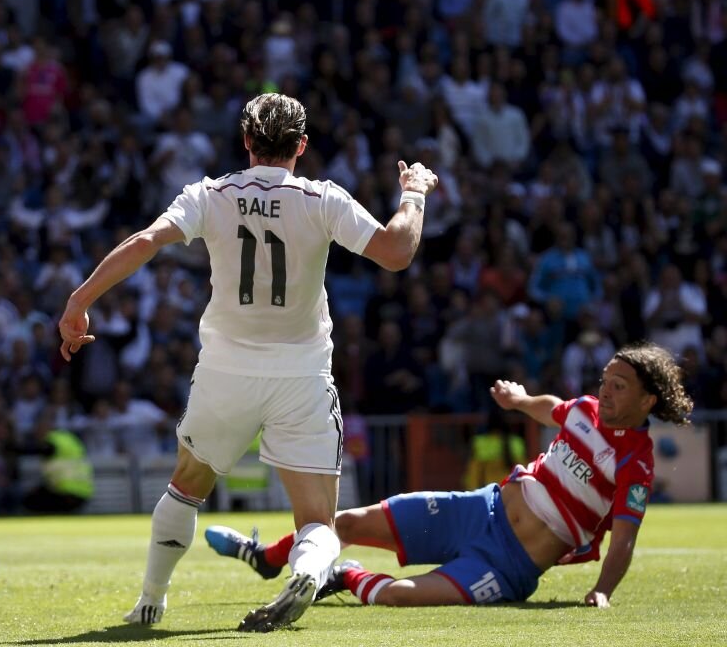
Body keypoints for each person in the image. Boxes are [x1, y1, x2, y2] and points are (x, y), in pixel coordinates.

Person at [58, 93, 438, 630]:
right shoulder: (321, 199)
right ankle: (306, 571)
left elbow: (147, 241)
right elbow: (397, 253)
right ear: (301, 146)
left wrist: (79, 301)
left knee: (185, 487)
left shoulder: (210, 195)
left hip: (225, 372)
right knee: (316, 522)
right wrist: (414, 194)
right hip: (302, 374)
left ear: (245, 142)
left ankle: (151, 599)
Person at [206, 343, 693, 609]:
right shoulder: (586, 410)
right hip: (479, 509)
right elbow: (555, 410)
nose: (604, 393)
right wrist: (521, 401)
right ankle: (268, 557)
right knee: (348, 522)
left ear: (648, 401)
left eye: (619, 386)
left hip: (506, 567)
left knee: (397, 596)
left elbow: (624, 541)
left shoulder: (637, 464)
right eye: (605, 381)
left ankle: (341, 575)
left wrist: (602, 591)